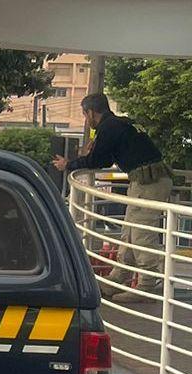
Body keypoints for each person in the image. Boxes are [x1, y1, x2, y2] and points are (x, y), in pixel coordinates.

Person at [54, 93, 173, 304]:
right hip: (148, 181)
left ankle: (146, 287)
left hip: (148, 183)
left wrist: (69, 165)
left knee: (141, 234)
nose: (85, 120)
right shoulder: (119, 123)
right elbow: (106, 158)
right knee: (129, 232)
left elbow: (98, 159)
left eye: (84, 114)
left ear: (91, 112)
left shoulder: (109, 128)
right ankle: (117, 278)